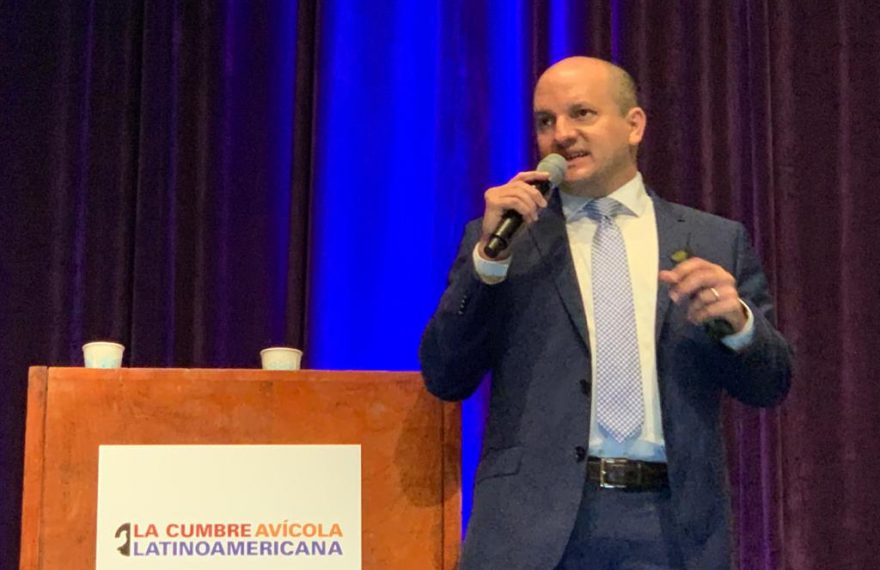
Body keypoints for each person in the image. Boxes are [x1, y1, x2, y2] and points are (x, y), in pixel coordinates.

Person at [419, 56, 792, 569]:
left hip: (670, 528)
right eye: (545, 121)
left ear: (634, 125)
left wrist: (740, 326)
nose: (561, 135)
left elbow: (770, 385)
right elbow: (445, 374)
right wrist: (487, 263)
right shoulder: (510, 240)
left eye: (582, 114)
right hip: (530, 529)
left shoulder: (713, 240)